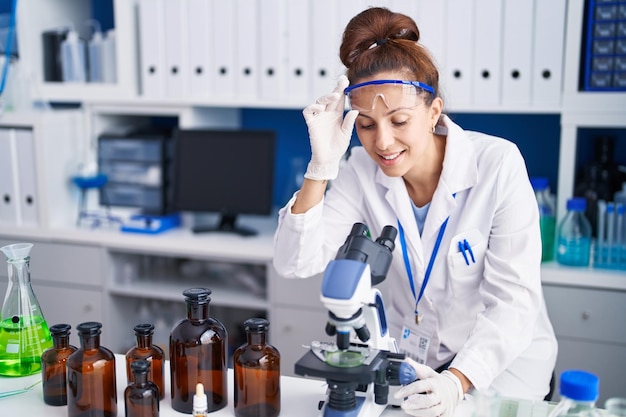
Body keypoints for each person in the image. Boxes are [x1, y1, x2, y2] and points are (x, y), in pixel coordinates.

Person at [273, 6, 558, 417]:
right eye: (367, 125)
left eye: (399, 120)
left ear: (434, 111)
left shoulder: (497, 164)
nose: (383, 143)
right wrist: (320, 167)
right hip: (415, 360)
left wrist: (457, 381)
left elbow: (513, 305)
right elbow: (293, 262)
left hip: (502, 369)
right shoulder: (359, 170)